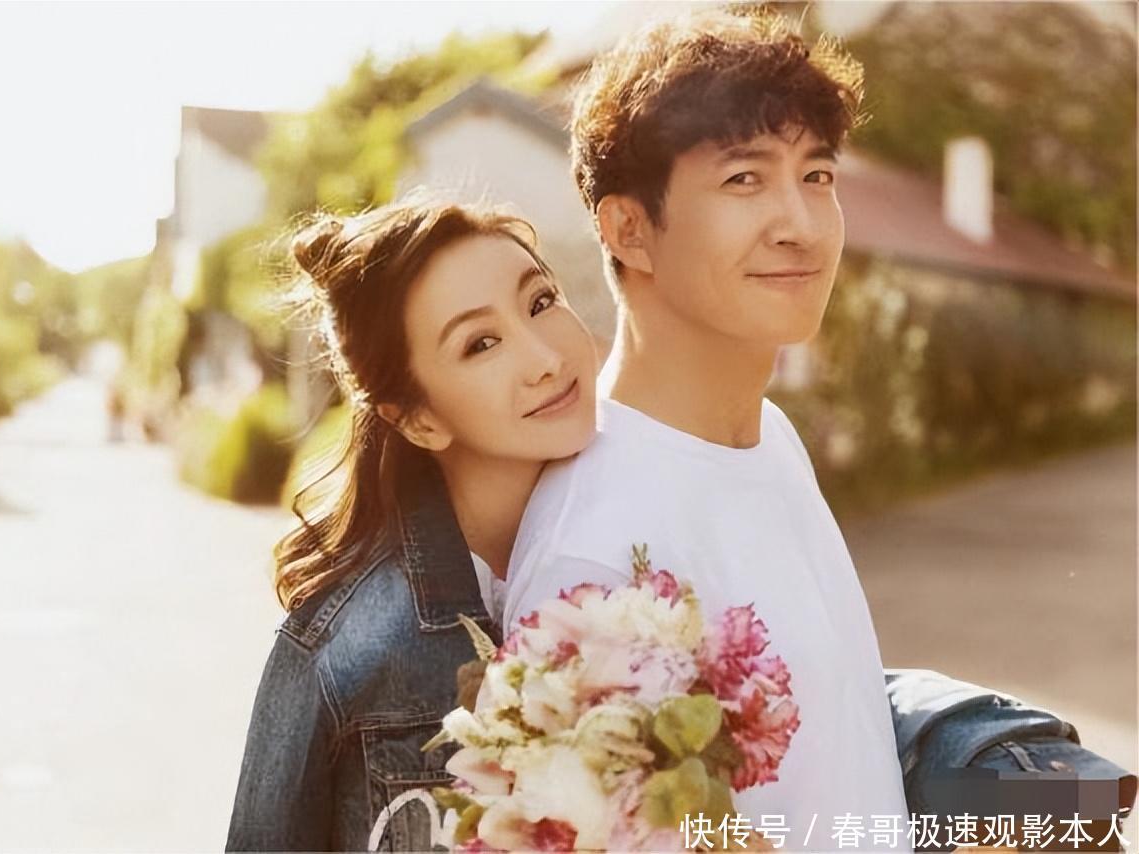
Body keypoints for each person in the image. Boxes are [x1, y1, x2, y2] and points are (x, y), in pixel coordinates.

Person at [500, 9, 912, 847]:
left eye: (817, 175)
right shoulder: (597, 559)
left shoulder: (770, 436)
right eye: (744, 179)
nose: (801, 224)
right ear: (629, 231)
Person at [224, 199, 599, 851]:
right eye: (481, 343)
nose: (545, 357)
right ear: (419, 419)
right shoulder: (351, 650)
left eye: (540, 302)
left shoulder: (643, 551)